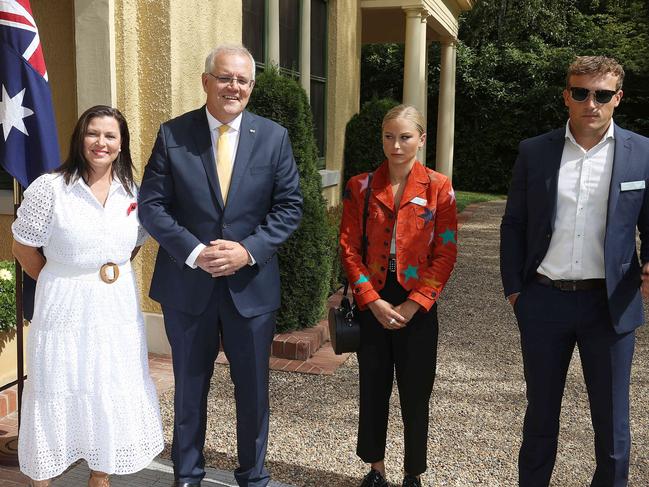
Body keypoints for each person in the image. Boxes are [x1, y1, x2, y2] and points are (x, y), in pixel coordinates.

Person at [137, 44, 302, 487]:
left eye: (243, 80)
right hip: (188, 288)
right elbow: (151, 205)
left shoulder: (273, 137)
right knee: (190, 391)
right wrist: (194, 252)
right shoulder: (174, 134)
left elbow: (289, 207)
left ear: (251, 86)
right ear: (206, 80)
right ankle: (187, 476)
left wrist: (246, 251)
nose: (234, 87)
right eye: (226, 78)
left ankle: (253, 476)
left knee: (253, 393)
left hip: (251, 289)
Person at [500, 55, 649, 487]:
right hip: (544, 300)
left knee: (613, 422)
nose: (591, 102)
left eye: (602, 94)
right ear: (567, 95)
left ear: (617, 98)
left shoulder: (642, 153)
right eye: (581, 92)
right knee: (541, 414)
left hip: (611, 304)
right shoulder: (535, 151)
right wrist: (515, 290)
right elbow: (515, 223)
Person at [12, 105, 164, 487]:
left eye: (110, 136)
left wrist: (105, 270)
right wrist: (58, 280)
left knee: (108, 379)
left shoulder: (134, 190)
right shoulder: (51, 187)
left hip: (116, 304)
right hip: (63, 302)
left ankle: (100, 474)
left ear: (121, 143)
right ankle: (43, 476)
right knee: (57, 381)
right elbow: (23, 247)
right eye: (92, 133)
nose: (101, 142)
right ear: (80, 138)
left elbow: (133, 244)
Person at [340, 104, 457, 487]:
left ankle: (413, 474)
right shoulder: (361, 185)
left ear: (421, 139)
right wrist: (371, 300)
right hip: (374, 298)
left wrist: (415, 302)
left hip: (416, 303)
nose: (396, 145)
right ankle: (375, 469)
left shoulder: (439, 187)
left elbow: (446, 251)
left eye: (405, 136)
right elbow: (348, 248)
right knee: (372, 387)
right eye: (389, 136)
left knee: (415, 392)